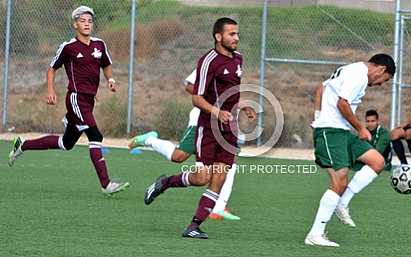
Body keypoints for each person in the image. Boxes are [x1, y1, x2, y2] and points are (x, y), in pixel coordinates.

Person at [141, 17, 254, 239]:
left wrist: (244, 107)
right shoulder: (208, 61)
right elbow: (196, 98)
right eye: (232, 34)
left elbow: (232, 93)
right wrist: (216, 112)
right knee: (202, 178)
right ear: (218, 37)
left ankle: (193, 226)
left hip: (229, 130)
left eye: (237, 34)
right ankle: (166, 182)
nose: (236, 38)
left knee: (219, 179)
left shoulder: (238, 59)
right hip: (209, 128)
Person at [7, 6, 129, 195]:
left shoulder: (99, 45)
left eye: (90, 21)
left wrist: (110, 80)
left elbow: (106, 64)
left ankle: (22, 144)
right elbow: (51, 69)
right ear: (75, 24)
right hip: (75, 99)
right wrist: (50, 90)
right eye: (82, 21)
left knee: (66, 143)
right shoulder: (68, 47)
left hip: (88, 101)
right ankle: (106, 185)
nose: (87, 24)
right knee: (95, 136)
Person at [306, 53, 396, 247]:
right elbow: (342, 103)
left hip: (343, 131)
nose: (381, 84)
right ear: (381, 69)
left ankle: (342, 202)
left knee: (377, 161)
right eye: (384, 80)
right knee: (340, 181)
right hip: (331, 131)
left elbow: (321, 87)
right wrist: (361, 128)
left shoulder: (351, 69)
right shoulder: (359, 75)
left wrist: (318, 115)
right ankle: (315, 234)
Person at [128, 69, 242, 220]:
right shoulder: (210, 62)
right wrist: (212, 103)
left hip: (223, 124)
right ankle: (149, 140)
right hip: (201, 122)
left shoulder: (236, 64)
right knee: (178, 157)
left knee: (229, 160)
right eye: (233, 42)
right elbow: (189, 86)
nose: (235, 44)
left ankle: (219, 207)